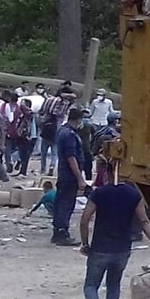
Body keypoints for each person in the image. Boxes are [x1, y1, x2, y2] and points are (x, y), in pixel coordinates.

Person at [78, 174, 150, 299]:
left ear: (107, 174)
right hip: (122, 248)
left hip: (100, 247)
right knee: (114, 285)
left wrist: (85, 243)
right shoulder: (134, 194)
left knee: (91, 285)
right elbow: (144, 221)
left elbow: (84, 220)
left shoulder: (99, 193)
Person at [51, 105, 88, 246]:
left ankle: (58, 231)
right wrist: (80, 178)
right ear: (78, 119)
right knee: (66, 204)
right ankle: (62, 233)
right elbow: (71, 158)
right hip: (69, 175)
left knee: (61, 202)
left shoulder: (62, 131)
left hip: (64, 174)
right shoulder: (70, 135)